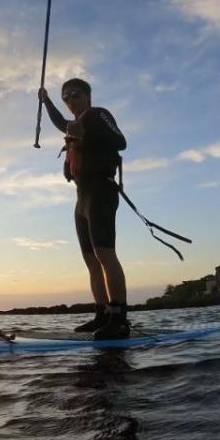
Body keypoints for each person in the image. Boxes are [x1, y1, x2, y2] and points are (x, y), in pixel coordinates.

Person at [39, 78, 131, 339]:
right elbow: (62, 125)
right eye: (66, 97)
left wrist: (85, 131)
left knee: (105, 254)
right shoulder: (73, 126)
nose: (70, 100)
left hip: (101, 191)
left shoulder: (98, 115)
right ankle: (101, 314)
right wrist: (46, 101)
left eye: (75, 95)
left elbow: (120, 140)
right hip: (82, 199)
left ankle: (119, 318)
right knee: (91, 260)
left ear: (88, 96)